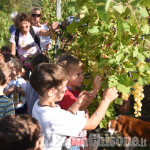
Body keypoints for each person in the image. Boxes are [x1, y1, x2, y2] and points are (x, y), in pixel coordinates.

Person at [30, 63, 118, 150]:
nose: (65, 89)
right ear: (51, 92)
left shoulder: (39, 105)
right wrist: (106, 100)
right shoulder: (55, 117)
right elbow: (91, 124)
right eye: (63, 86)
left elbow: (65, 115)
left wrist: (77, 104)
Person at [57, 54, 102, 149]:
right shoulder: (65, 94)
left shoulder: (75, 91)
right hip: (70, 144)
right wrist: (95, 90)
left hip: (78, 140)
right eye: (78, 74)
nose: (82, 77)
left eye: (82, 73)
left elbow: (82, 108)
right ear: (65, 76)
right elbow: (80, 106)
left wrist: (85, 111)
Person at [10, 13, 59, 80]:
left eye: (28, 23)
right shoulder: (14, 35)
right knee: (25, 78)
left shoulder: (33, 30)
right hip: (23, 61)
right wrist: (19, 66)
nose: (27, 25)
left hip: (36, 59)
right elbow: (13, 53)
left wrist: (52, 29)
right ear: (19, 24)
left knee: (40, 77)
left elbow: (46, 33)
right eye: (24, 23)